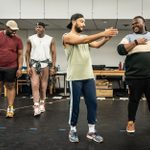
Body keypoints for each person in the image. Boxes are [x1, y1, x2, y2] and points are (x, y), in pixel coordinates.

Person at [62, 13, 118, 143]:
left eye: (84, 22)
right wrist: (102, 33)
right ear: (74, 21)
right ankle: (73, 130)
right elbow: (81, 41)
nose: (84, 24)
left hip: (88, 76)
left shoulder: (86, 37)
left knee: (92, 103)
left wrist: (106, 38)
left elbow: (97, 45)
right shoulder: (66, 36)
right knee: (74, 105)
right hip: (74, 77)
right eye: (82, 21)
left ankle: (91, 131)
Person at [117, 16, 150, 133]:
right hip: (135, 77)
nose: (134, 25)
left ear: (144, 23)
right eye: (132, 24)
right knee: (133, 101)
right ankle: (131, 123)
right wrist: (136, 42)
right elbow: (121, 50)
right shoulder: (129, 37)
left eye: (136, 23)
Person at [25, 22, 56, 116]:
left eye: (40, 27)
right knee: (34, 85)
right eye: (36, 27)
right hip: (34, 64)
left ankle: (42, 103)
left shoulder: (50, 39)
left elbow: (54, 53)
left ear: (44, 28)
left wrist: (53, 67)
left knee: (43, 87)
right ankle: (36, 106)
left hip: (46, 64)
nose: (37, 29)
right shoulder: (30, 38)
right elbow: (27, 53)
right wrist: (27, 66)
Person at [0, 20, 23, 118]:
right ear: (6, 28)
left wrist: (20, 68)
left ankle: (10, 107)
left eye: (16, 30)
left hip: (11, 67)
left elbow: (20, 55)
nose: (14, 32)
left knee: (10, 86)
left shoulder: (18, 39)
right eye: (12, 30)